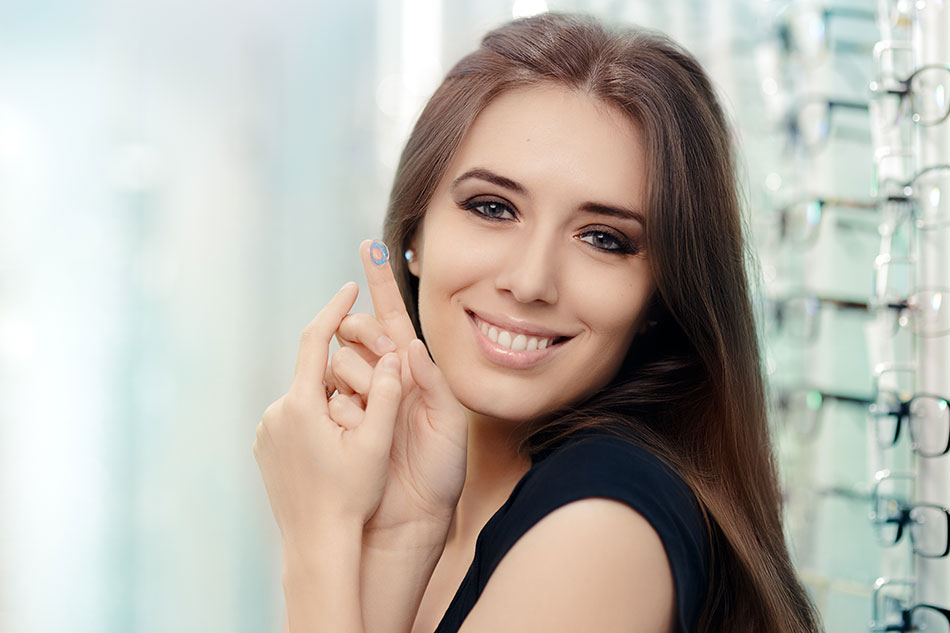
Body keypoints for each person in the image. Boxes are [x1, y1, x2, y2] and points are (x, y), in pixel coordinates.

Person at [253, 12, 822, 633]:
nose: (529, 282)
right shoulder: (434, 503)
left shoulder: (600, 530)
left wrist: (317, 536)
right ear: (416, 232)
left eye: (603, 239)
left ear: (660, 295)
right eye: (493, 208)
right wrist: (400, 534)